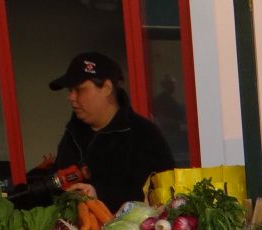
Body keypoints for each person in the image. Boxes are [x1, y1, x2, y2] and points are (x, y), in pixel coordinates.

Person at [49, 52, 175, 212]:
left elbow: (163, 197)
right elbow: (57, 185)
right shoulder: (72, 134)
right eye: (70, 90)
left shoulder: (145, 136)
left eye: (79, 90)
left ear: (107, 87)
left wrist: (100, 196)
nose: (71, 97)